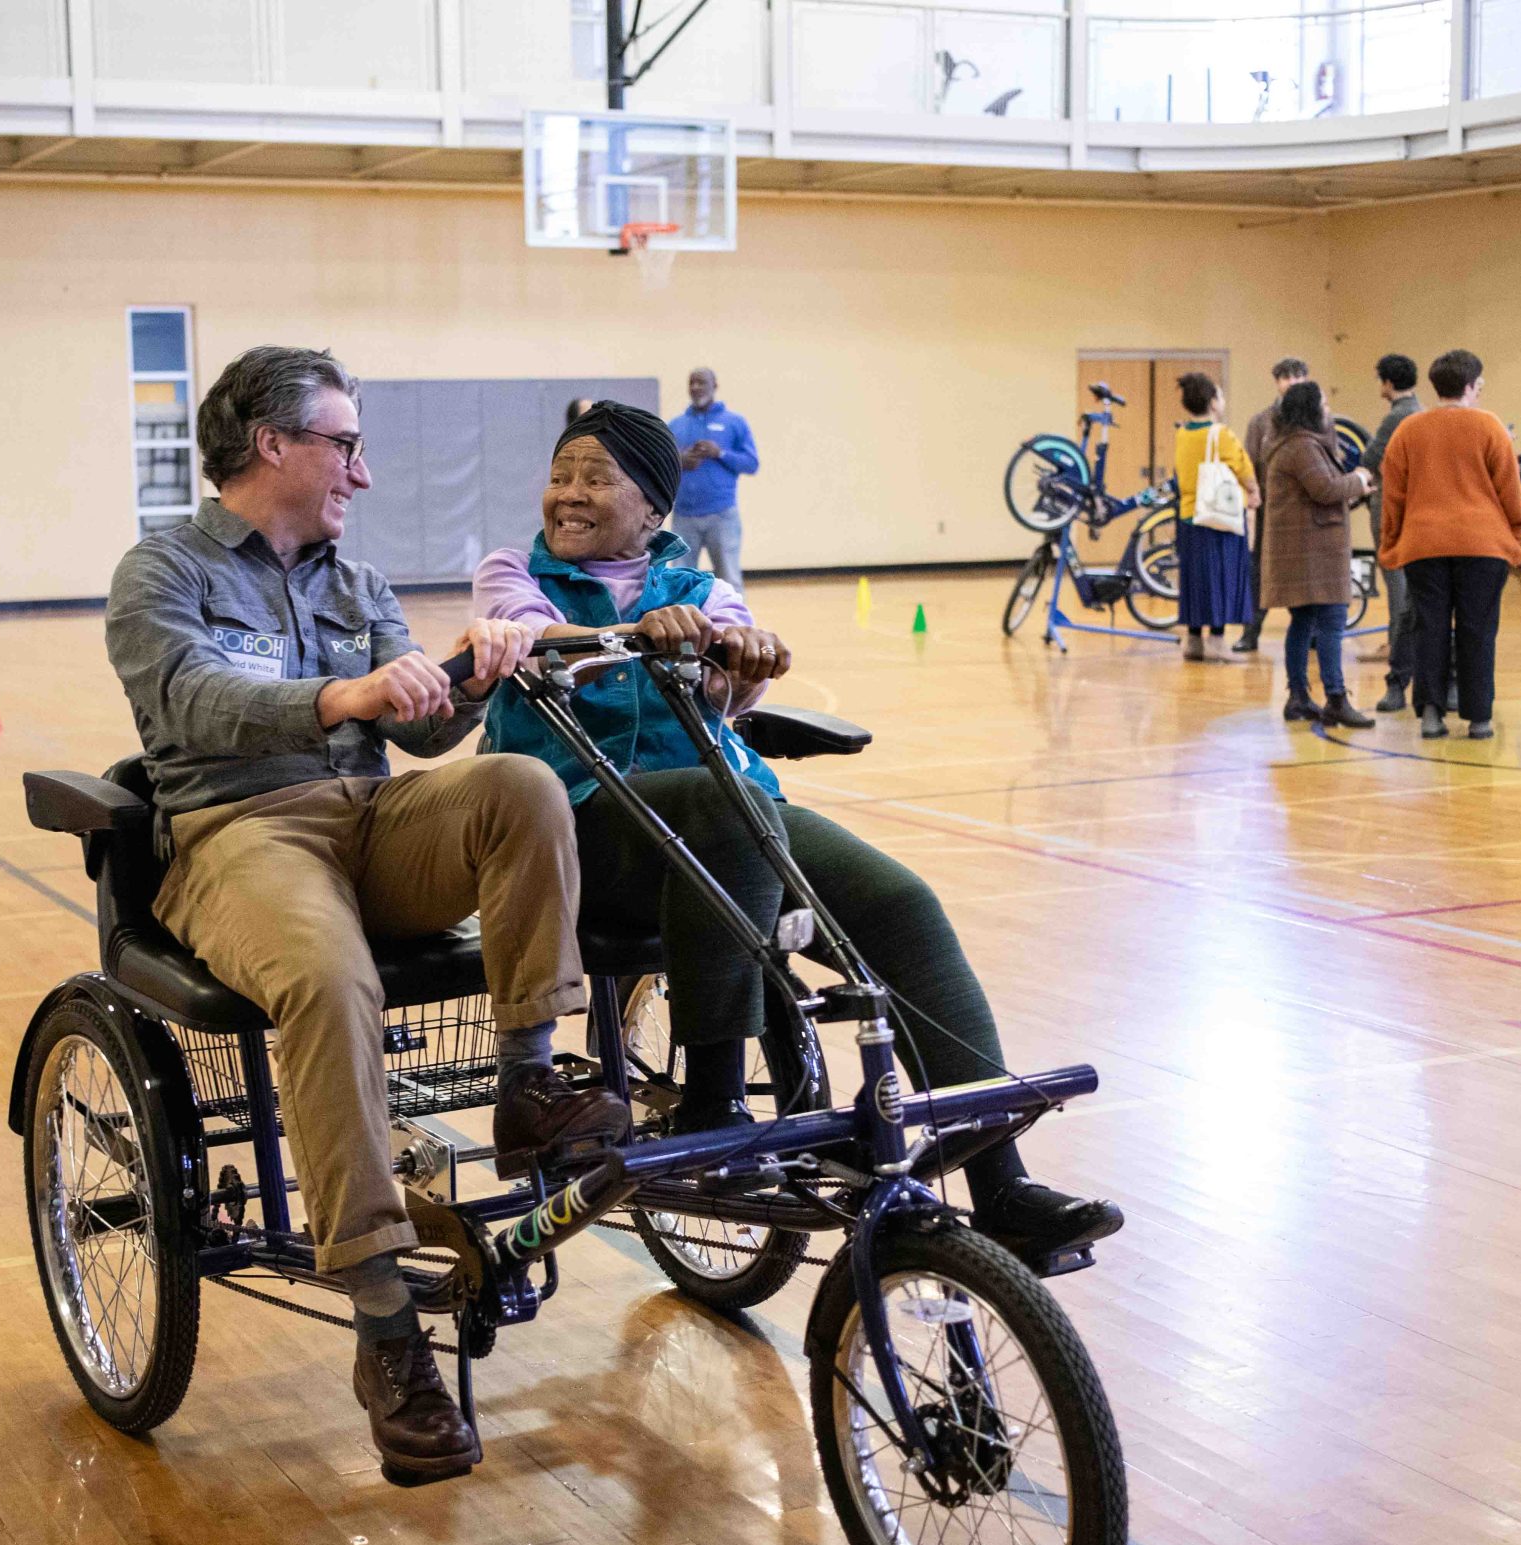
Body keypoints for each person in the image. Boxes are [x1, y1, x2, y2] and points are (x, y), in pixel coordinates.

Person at [105, 345, 631, 1483]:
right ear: (273, 446)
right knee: (329, 982)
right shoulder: (162, 571)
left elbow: (428, 734)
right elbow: (189, 701)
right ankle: (389, 1325)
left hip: (371, 822)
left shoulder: (354, 580)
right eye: (346, 444)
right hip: (240, 833)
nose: (363, 472)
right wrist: (337, 695)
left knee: (520, 788)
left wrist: (473, 676)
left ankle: (532, 1080)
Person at [472, 401, 1123, 1262]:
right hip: (581, 829)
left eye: (596, 478)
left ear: (654, 509)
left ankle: (1000, 1181)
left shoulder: (703, 589)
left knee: (898, 901)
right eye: (561, 476)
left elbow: (732, 688)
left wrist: (743, 665)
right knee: (719, 805)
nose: (568, 495)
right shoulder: (513, 569)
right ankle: (714, 1101)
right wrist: (626, 634)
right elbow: (521, 639)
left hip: (720, 820)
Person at [1379, 349, 1521, 740]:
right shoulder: (1491, 427)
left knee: (1429, 628)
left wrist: (1391, 543)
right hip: (1483, 546)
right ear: (1469, 386)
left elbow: (1393, 495)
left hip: (1424, 544)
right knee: (1478, 630)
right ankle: (1479, 718)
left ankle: (1431, 714)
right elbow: (1510, 491)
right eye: (1479, 385)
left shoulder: (1407, 430)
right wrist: (1517, 538)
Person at [1259, 380, 1376, 727]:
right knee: (1331, 623)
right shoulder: (1302, 447)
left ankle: (1298, 697)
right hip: (1315, 553)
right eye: (1324, 405)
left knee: (1303, 622)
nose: (1329, 412)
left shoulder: (1286, 442)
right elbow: (1325, 488)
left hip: (1301, 551)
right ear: (1311, 410)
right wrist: (1358, 478)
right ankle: (1336, 698)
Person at [1170, 371, 1260, 660]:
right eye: (1220, 395)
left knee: (1195, 579)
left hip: (1188, 515)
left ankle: (1193, 641)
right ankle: (1218, 643)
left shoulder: (1182, 433)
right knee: (1221, 577)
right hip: (1218, 516)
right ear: (1212, 402)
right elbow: (1242, 467)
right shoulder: (1220, 434)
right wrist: (1254, 491)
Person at [1233, 357, 1312, 652]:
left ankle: (1312, 633)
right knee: (1261, 571)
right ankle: (1250, 631)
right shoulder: (1261, 421)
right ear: (1277, 383)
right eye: (1285, 377)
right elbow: (1249, 463)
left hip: (1305, 508)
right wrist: (1253, 497)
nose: (1291, 382)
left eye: (1297, 376)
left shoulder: (1319, 418)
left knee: (1304, 571)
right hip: (1270, 508)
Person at [1362, 354, 1423, 711]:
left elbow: (1368, 462)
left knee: (1397, 586)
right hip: (1414, 512)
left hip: (1391, 511)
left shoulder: (1396, 417)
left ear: (1387, 383)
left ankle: (1397, 650)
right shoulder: (1421, 411)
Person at [667, 367, 757, 587]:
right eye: (692, 383)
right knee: (680, 581)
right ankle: (685, 622)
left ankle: (733, 621)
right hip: (684, 516)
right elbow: (661, 464)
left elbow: (751, 464)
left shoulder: (734, 422)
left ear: (714, 386)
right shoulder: (675, 425)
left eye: (701, 383)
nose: (696, 388)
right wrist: (680, 460)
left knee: (729, 579)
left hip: (722, 515)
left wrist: (720, 453)